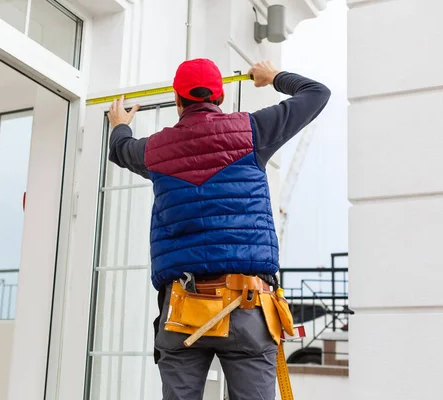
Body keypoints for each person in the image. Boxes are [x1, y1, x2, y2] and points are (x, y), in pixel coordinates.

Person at [107, 58, 330, 400]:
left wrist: (120, 124)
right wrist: (273, 77)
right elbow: (317, 93)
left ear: (178, 101)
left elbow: (121, 150)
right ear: (221, 96)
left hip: (182, 309)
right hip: (248, 305)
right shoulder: (253, 131)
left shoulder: (155, 150)